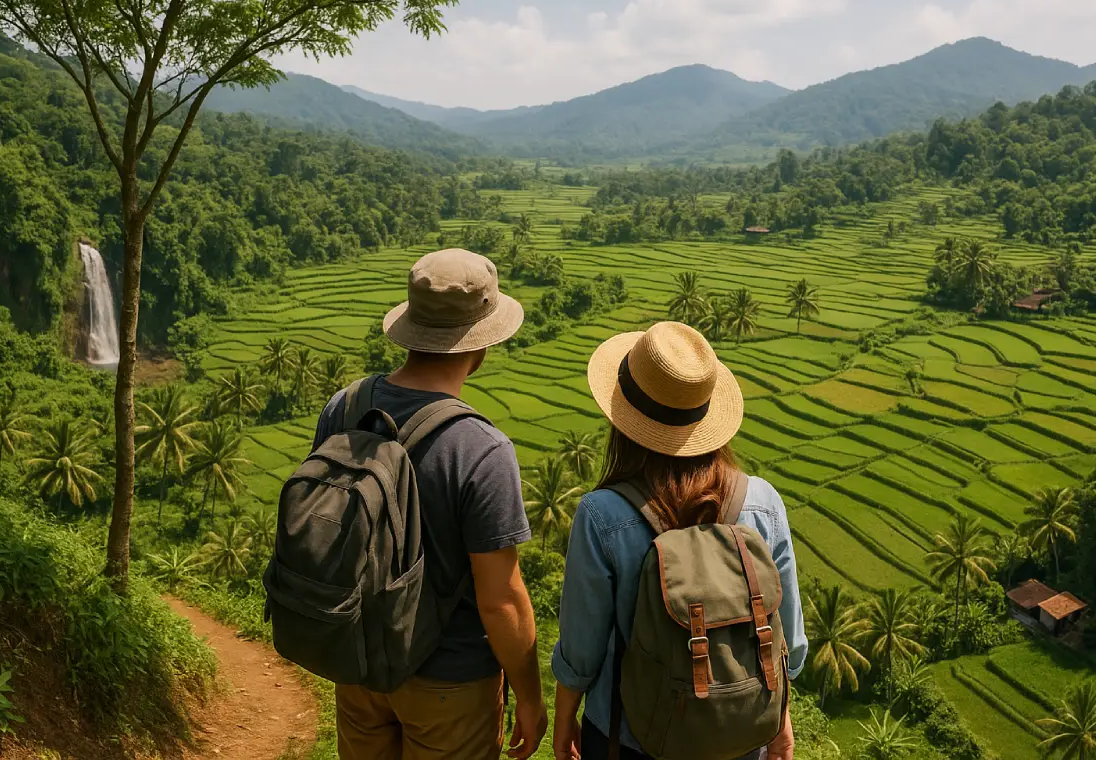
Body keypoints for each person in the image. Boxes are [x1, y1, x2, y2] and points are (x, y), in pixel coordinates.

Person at [312, 248, 547, 760]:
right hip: (451, 682)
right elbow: (501, 599)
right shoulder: (482, 448)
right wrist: (530, 695)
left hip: (356, 659)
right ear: (480, 347)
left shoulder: (345, 406)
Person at [550, 321, 809, 760]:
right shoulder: (763, 503)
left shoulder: (602, 515)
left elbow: (582, 651)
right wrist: (780, 721)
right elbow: (787, 641)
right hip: (740, 738)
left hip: (628, 740)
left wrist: (562, 723)